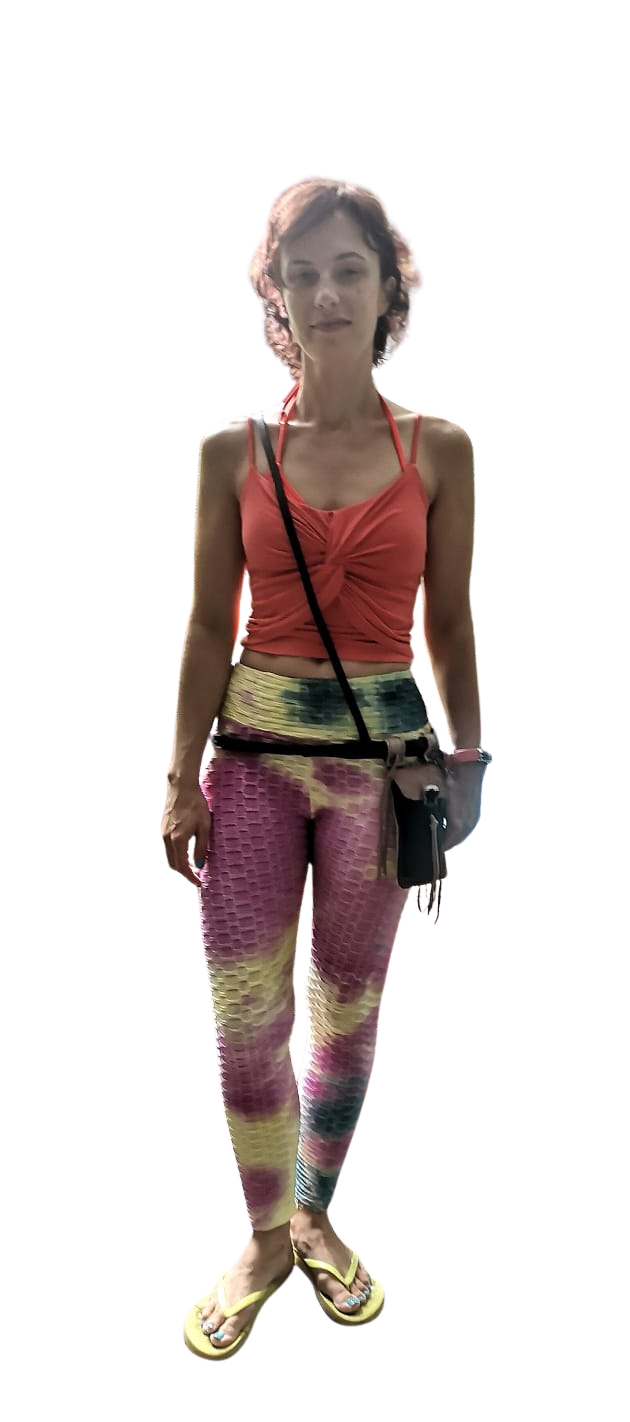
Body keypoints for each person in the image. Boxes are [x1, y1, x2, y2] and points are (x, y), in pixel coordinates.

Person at [165, 178, 487, 1360]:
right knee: (245, 1017)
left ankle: (315, 1215)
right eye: (304, 273)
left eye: (351, 269)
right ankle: (262, 1238)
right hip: (249, 762)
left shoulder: (438, 448)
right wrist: (177, 779)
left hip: (381, 775)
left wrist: (469, 761)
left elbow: (449, 625)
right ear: (277, 295)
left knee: (349, 1009)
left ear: (390, 287)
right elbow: (209, 622)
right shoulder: (231, 448)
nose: (328, 292)